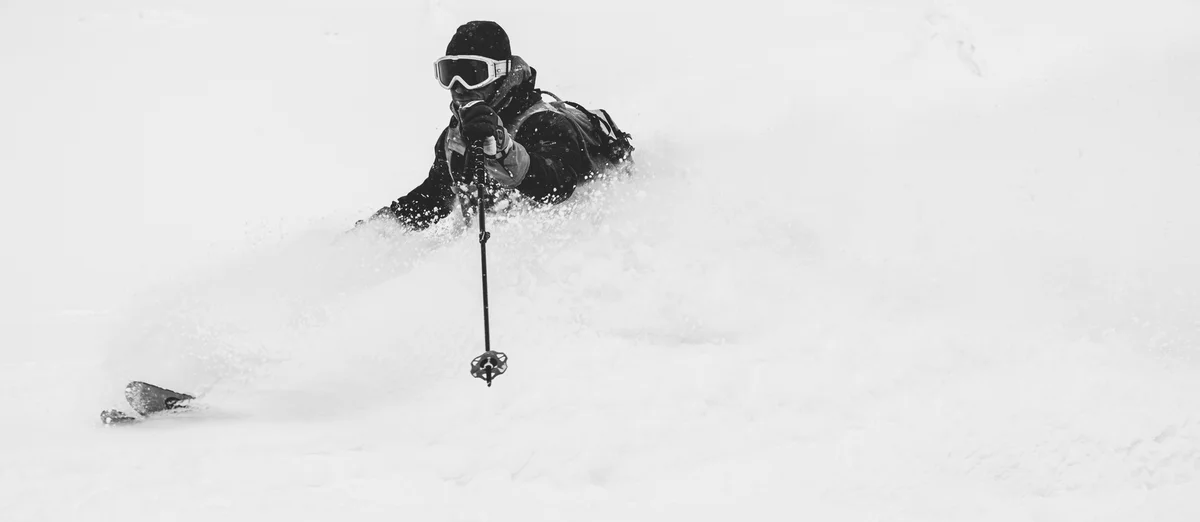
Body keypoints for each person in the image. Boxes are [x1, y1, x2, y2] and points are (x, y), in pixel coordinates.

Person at [365, 20, 633, 230]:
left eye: (472, 74)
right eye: (449, 73)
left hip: (577, 258)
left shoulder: (545, 123)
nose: (458, 87)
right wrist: (374, 233)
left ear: (501, 73)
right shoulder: (455, 138)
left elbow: (557, 186)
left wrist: (504, 151)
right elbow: (434, 198)